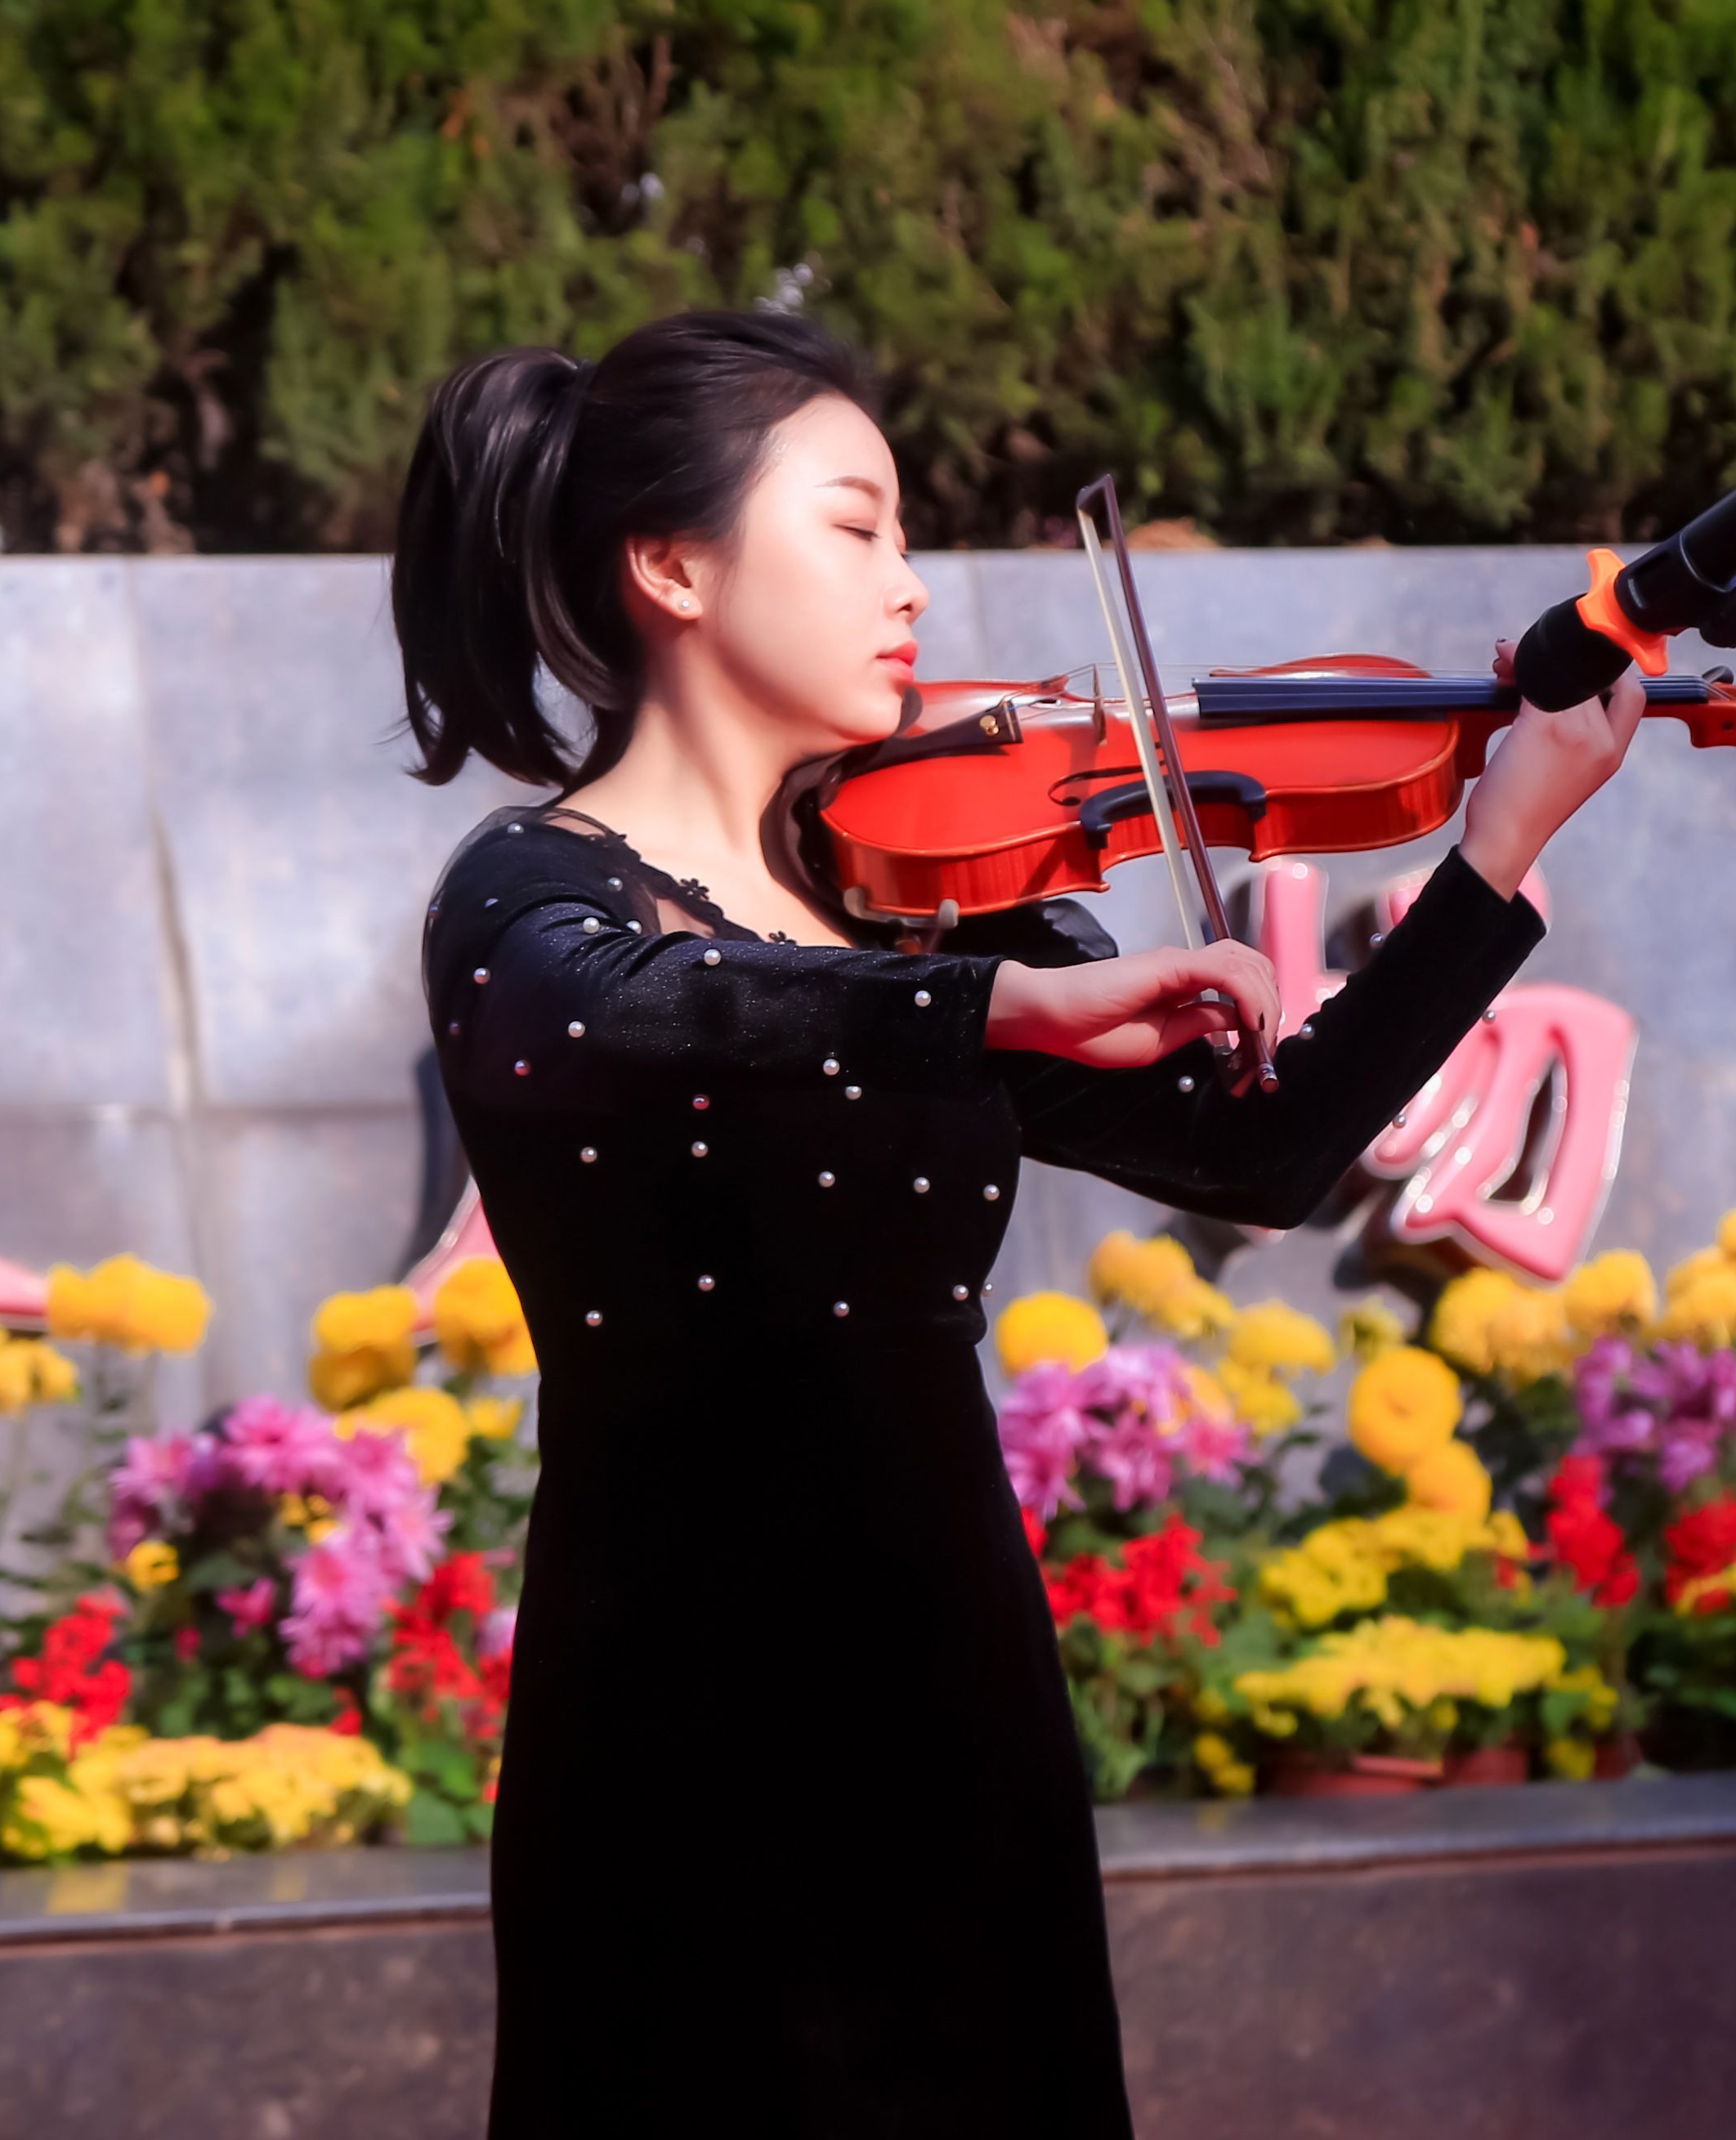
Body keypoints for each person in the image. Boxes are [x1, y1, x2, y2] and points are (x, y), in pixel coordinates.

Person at [391, 310, 1644, 2138]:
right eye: (854, 525)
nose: (910, 583)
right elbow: (643, 1011)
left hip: (951, 1673)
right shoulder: (537, 894)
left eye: (904, 534)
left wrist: (1493, 855)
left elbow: (1264, 1154)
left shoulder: (922, 894)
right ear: (671, 565)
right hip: (680, 1700)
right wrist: (997, 1010)